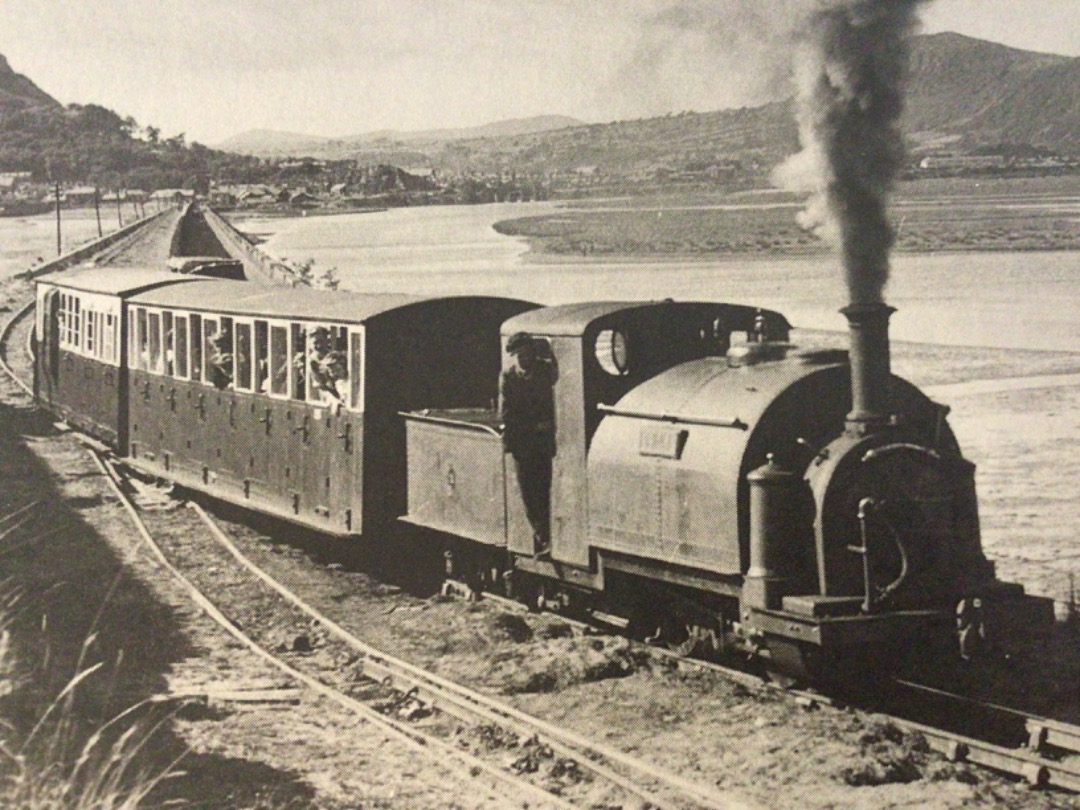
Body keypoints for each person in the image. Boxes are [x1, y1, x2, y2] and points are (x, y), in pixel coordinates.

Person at [499, 332, 555, 557]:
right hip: (523, 445)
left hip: (544, 445)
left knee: (544, 491)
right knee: (529, 495)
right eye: (517, 355)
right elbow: (507, 414)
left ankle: (548, 538)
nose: (522, 358)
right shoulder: (509, 377)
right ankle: (542, 539)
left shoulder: (544, 372)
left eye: (525, 353)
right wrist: (533, 427)